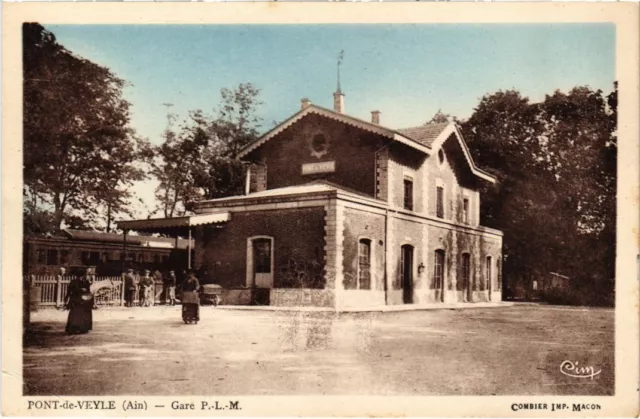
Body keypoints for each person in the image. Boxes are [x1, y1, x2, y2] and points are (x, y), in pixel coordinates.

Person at [64, 267, 95, 334]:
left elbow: (89, 291)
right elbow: (70, 291)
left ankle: (83, 328)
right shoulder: (74, 282)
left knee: (82, 314)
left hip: (83, 300)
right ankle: (74, 328)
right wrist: (80, 290)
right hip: (76, 300)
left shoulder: (86, 282)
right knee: (76, 314)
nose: (81, 277)